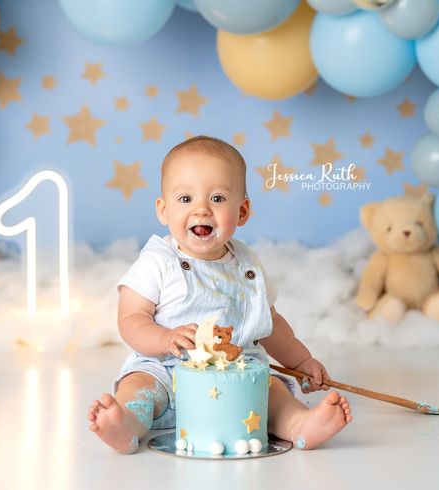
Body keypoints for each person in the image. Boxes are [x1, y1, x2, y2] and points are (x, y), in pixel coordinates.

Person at [88, 136, 352, 454]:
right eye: (185, 199)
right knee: (139, 387)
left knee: (273, 392)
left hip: (239, 376)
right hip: (167, 370)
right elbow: (131, 319)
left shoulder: (249, 266)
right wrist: (164, 339)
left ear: (242, 212)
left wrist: (302, 360)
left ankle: (300, 425)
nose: (201, 209)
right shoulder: (157, 261)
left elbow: (269, 324)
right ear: (163, 210)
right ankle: (126, 423)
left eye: (217, 198)